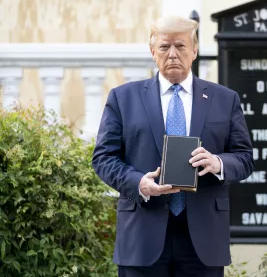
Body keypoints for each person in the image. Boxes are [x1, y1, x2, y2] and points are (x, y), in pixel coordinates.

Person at [92, 15, 254, 276]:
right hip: (143, 234)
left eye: (180, 46)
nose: (172, 54)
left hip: (203, 239)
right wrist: (138, 183)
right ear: (152, 51)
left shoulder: (224, 99)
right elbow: (103, 157)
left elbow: (245, 157)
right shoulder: (123, 98)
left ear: (195, 51)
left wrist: (219, 163)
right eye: (165, 47)